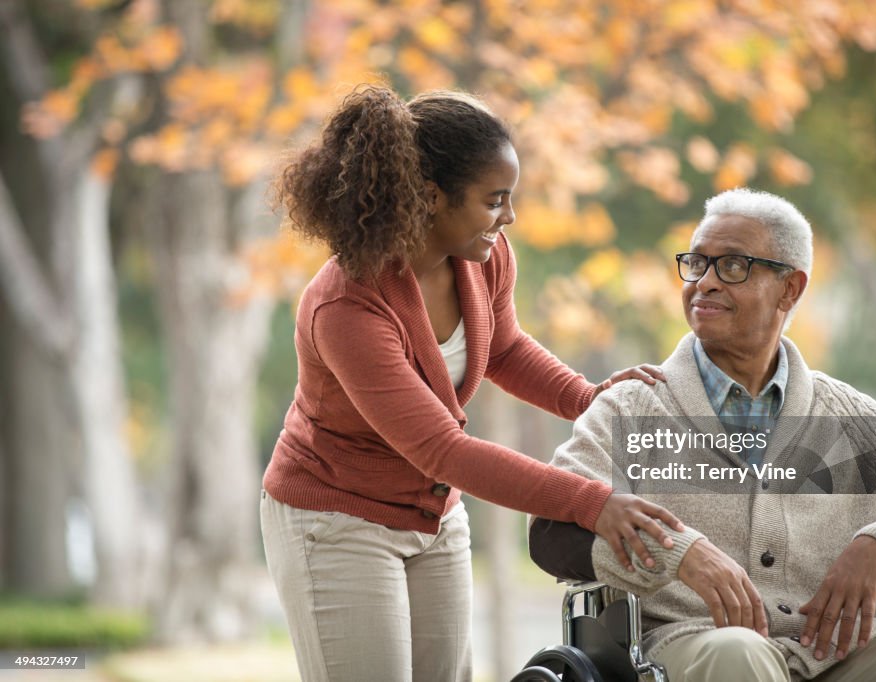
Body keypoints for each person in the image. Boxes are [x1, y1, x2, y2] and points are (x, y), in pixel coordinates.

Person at [258, 84, 685, 682]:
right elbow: (441, 449)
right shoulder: (347, 307)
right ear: (431, 198)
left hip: (433, 514)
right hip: (336, 519)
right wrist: (592, 503)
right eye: (495, 200)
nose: (508, 217)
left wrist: (591, 399)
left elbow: (504, 347)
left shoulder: (485, 256)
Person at [529, 188, 876, 681]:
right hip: (693, 646)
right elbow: (552, 531)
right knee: (739, 653)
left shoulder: (849, 416)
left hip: (839, 650)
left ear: (790, 289)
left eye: (733, 266)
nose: (704, 283)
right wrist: (678, 555)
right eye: (697, 263)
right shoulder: (630, 406)